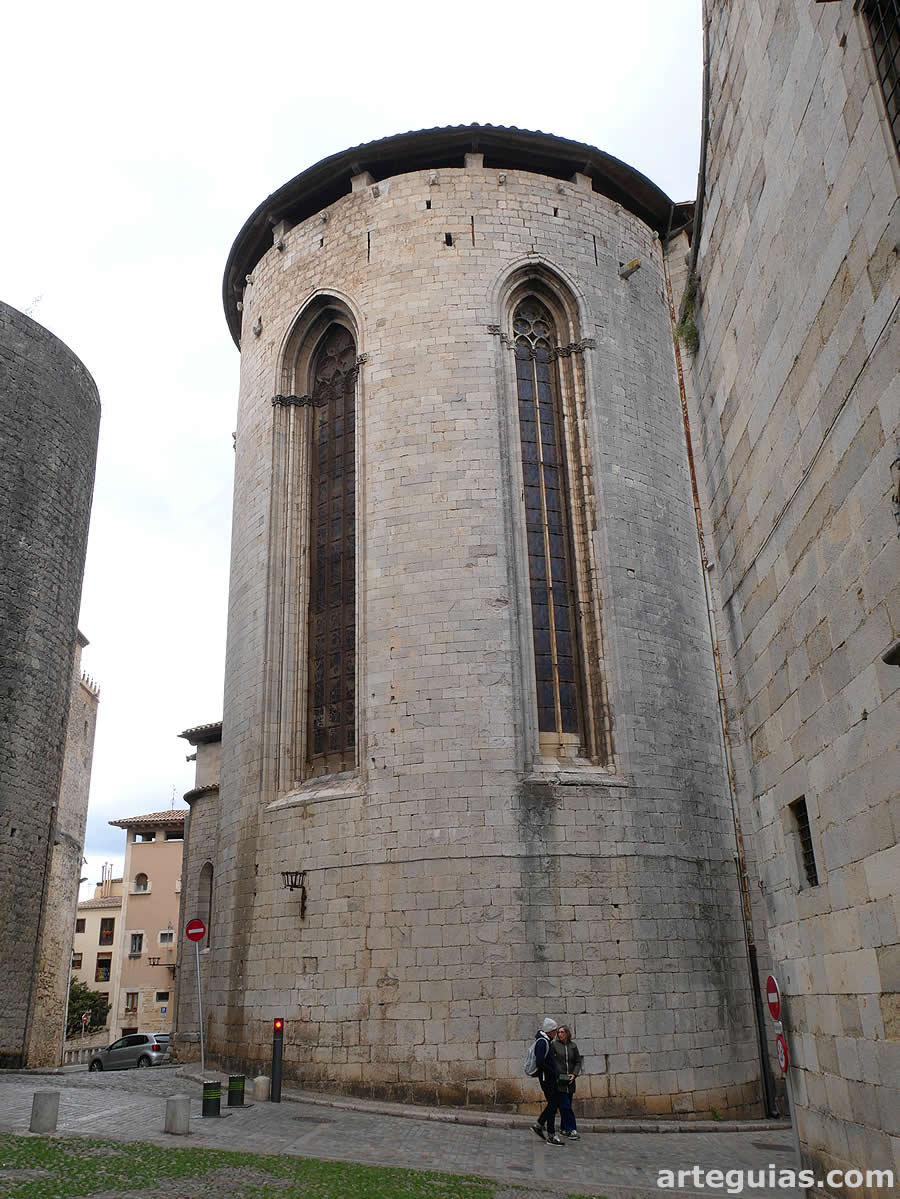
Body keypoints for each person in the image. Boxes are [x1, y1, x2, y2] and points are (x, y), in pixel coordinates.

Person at [531, 1017, 564, 1146]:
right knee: (553, 1104)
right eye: (555, 1031)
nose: (556, 1033)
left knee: (553, 1105)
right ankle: (543, 1128)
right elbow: (540, 1062)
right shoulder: (543, 1042)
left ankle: (547, 1131)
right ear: (550, 1031)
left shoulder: (546, 1041)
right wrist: (552, 1072)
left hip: (549, 1078)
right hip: (547, 1079)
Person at [552, 1024, 583, 1138]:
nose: (560, 1034)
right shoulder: (554, 1045)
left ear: (567, 1033)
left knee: (567, 1105)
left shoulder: (573, 1046)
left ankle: (563, 1128)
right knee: (565, 1106)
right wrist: (555, 1074)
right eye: (558, 1032)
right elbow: (551, 1061)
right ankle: (572, 1129)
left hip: (570, 1081)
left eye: (562, 1032)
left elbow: (578, 1061)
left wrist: (574, 1074)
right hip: (559, 1080)